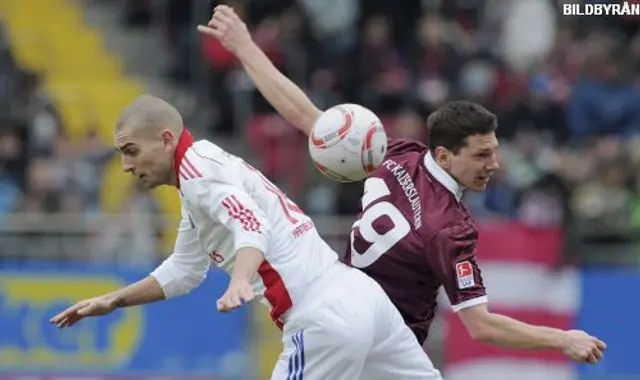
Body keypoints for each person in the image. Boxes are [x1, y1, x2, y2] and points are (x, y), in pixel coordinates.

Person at [198, 5, 607, 365]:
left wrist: (245, 48)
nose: (494, 165)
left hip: (356, 325)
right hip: (376, 339)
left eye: (494, 151)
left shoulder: (400, 154)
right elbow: (481, 326)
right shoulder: (450, 228)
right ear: (446, 155)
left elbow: (305, 115)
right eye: (482, 155)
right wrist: (563, 339)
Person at [50, 95, 443, 380]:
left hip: (322, 317)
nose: (125, 165)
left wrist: (240, 280)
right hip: (363, 297)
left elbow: (252, 224)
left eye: (132, 151)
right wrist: (114, 299)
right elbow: (184, 270)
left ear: (166, 139)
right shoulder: (200, 180)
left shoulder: (199, 174)